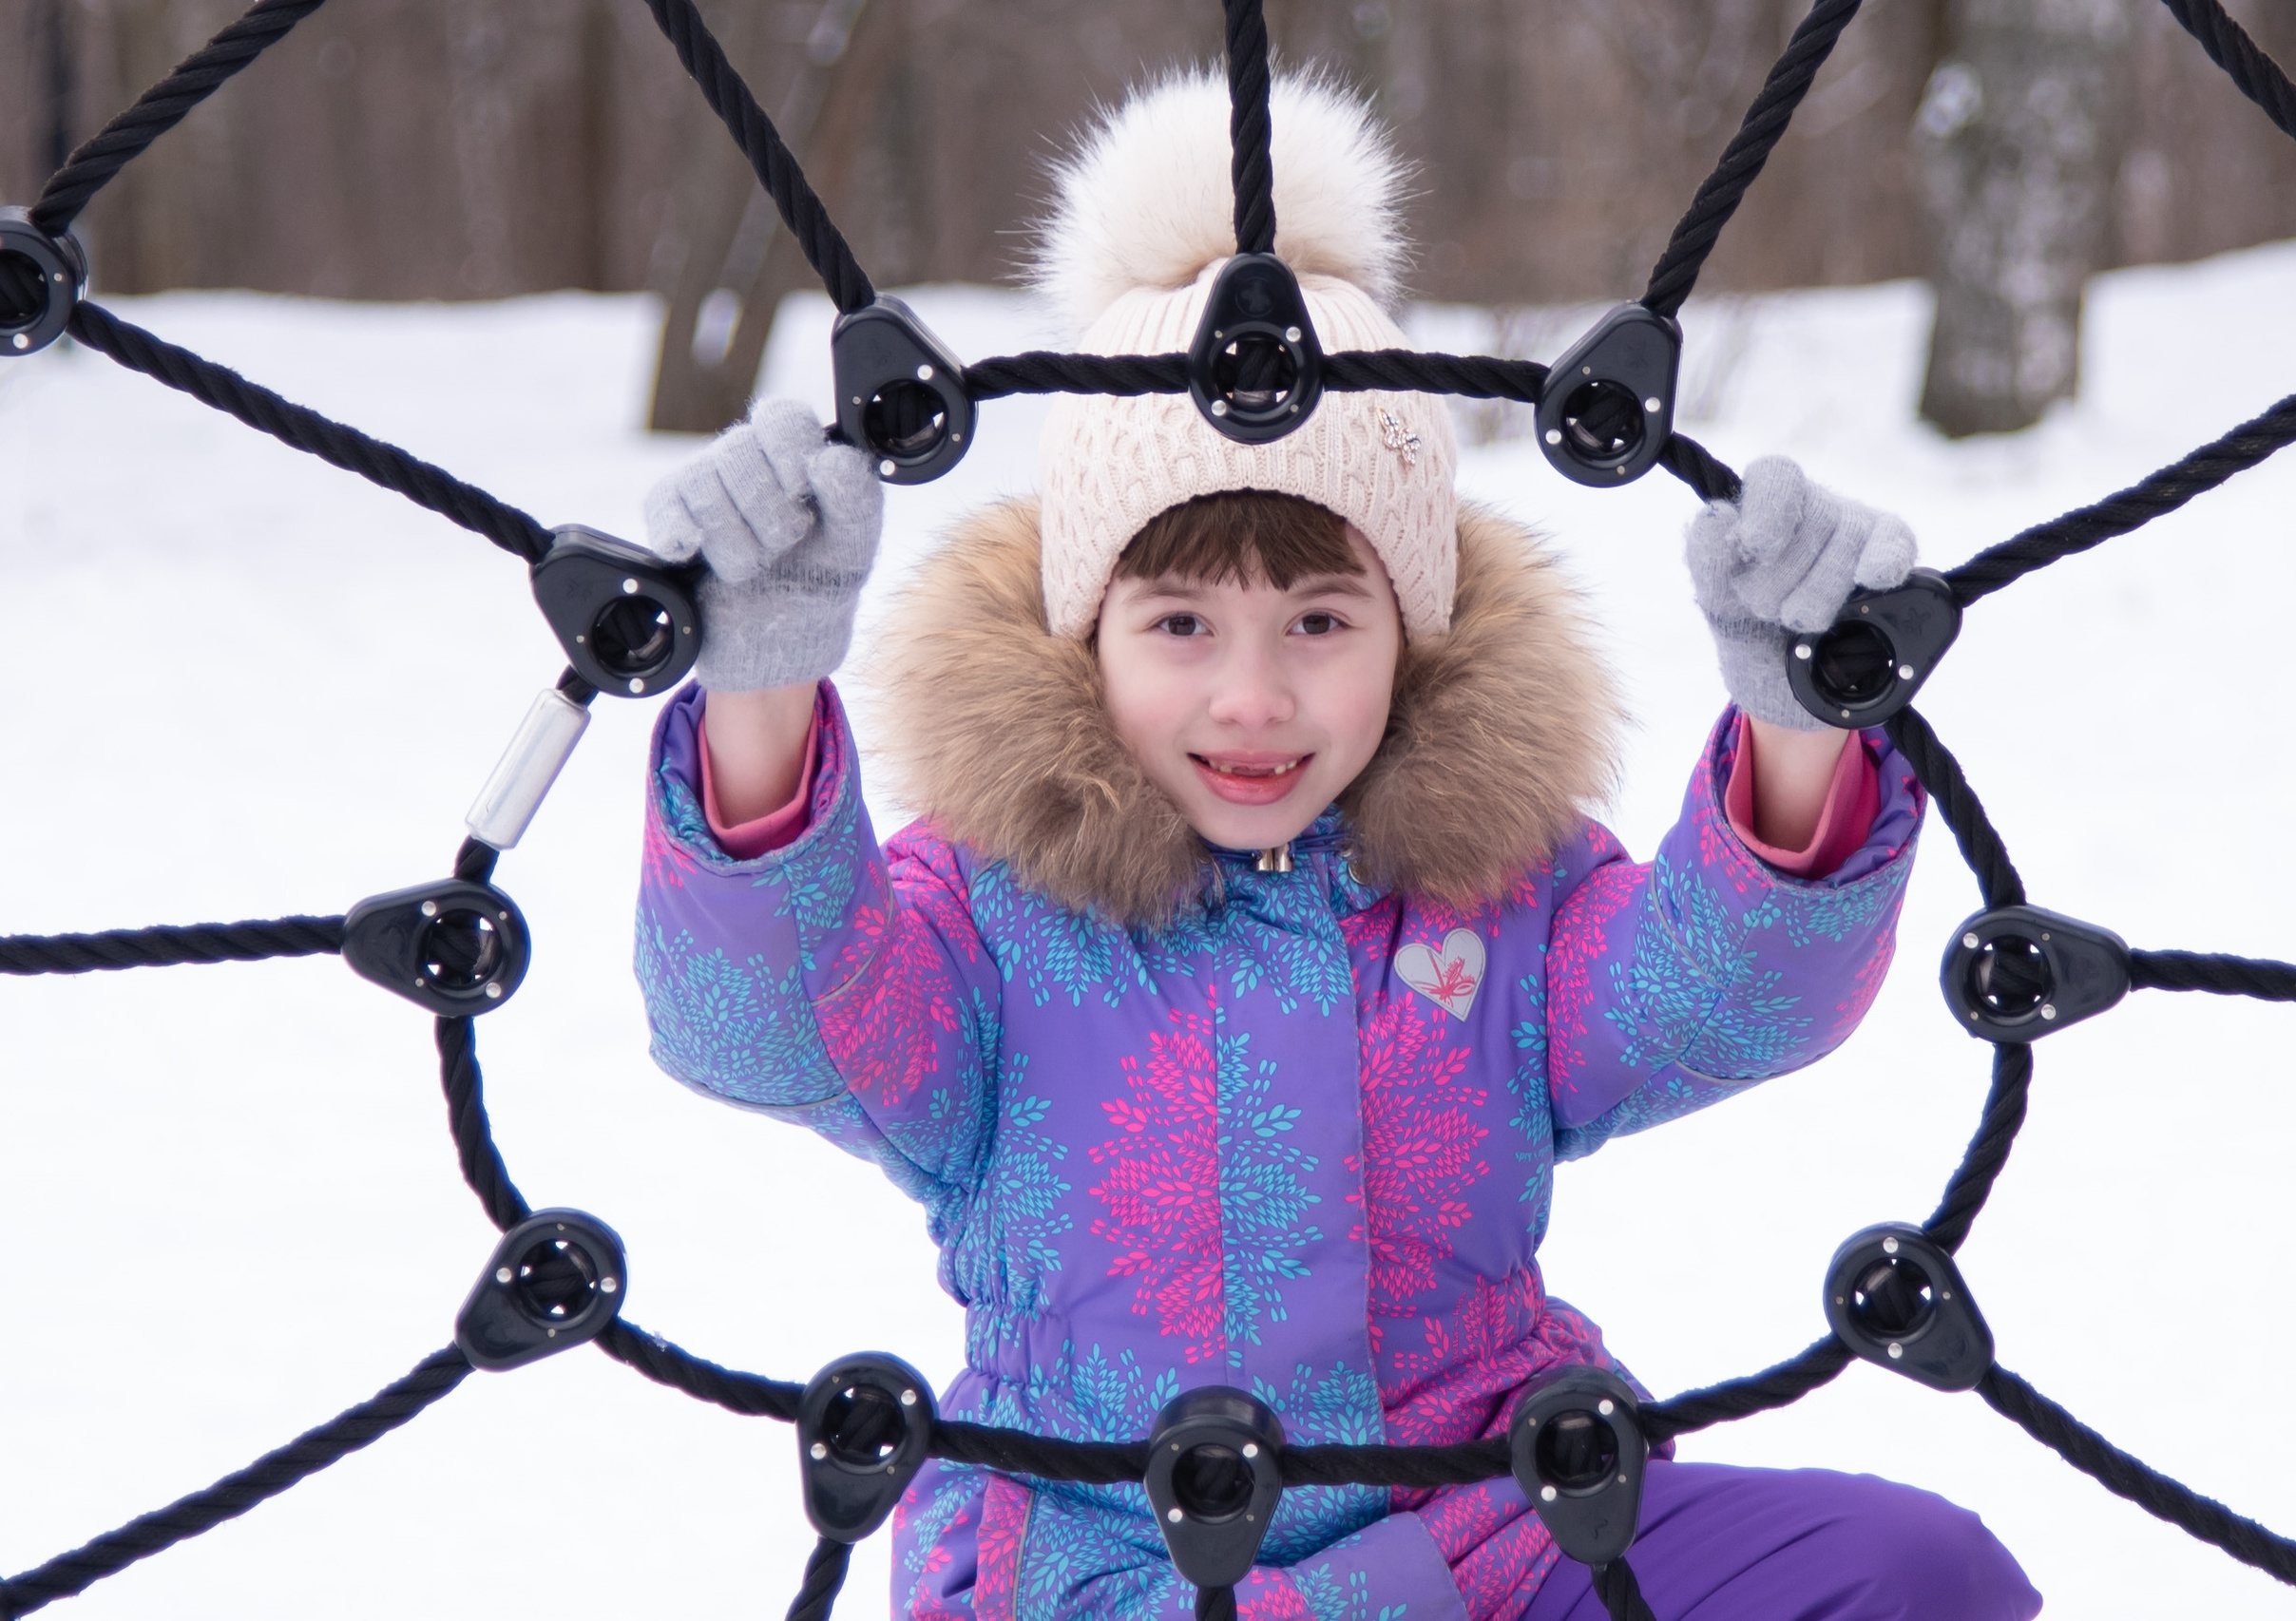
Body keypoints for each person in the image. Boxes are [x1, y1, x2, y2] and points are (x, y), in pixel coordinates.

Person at [630, 69, 2039, 1621]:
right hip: (1110, 1568)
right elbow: (767, 1024)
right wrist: (758, 676)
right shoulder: (989, 915)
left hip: (1491, 1534)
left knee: (1917, 1576)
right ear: (1086, 633)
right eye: (1178, 623)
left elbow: (1717, 996)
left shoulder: (1498, 891)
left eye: (1319, 618)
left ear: (1411, 631)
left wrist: (1802, 718)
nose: (1252, 694)